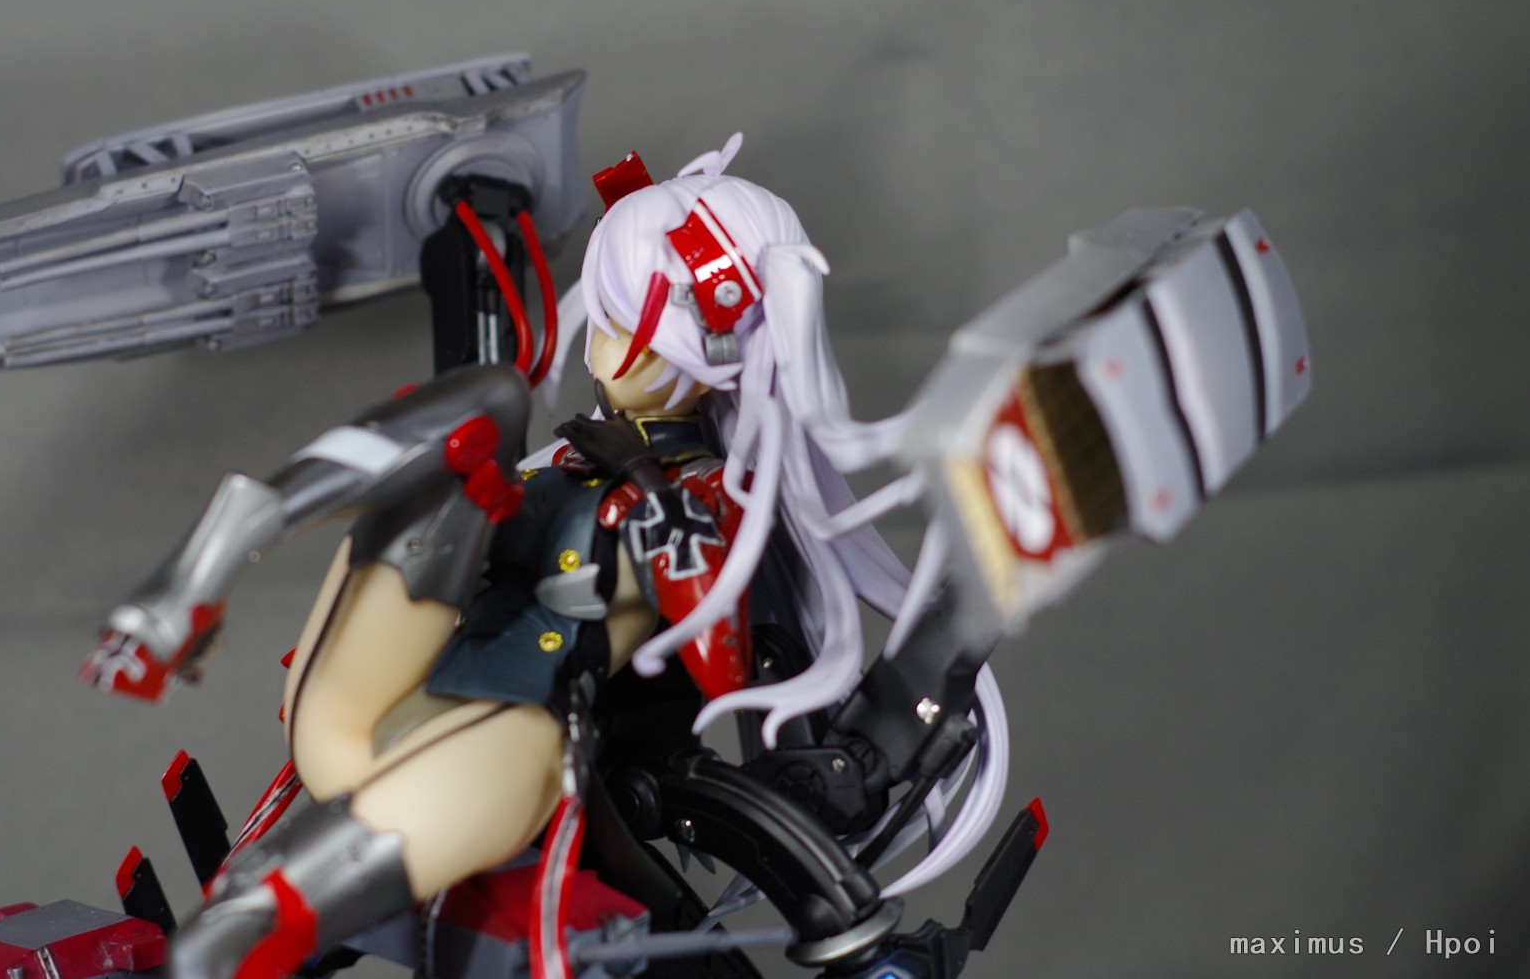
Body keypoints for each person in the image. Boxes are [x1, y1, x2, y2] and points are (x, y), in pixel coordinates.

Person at [83, 134, 967, 979]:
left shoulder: (711, 490)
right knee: (487, 401)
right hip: (377, 702)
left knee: (270, 911)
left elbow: (720, 659)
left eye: (625, 320)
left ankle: (249, 925)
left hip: (512, 750)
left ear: (714, 345)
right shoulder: (565, 460)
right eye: (605, 314)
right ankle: (209, 559)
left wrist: (645, 489)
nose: (600, 340)